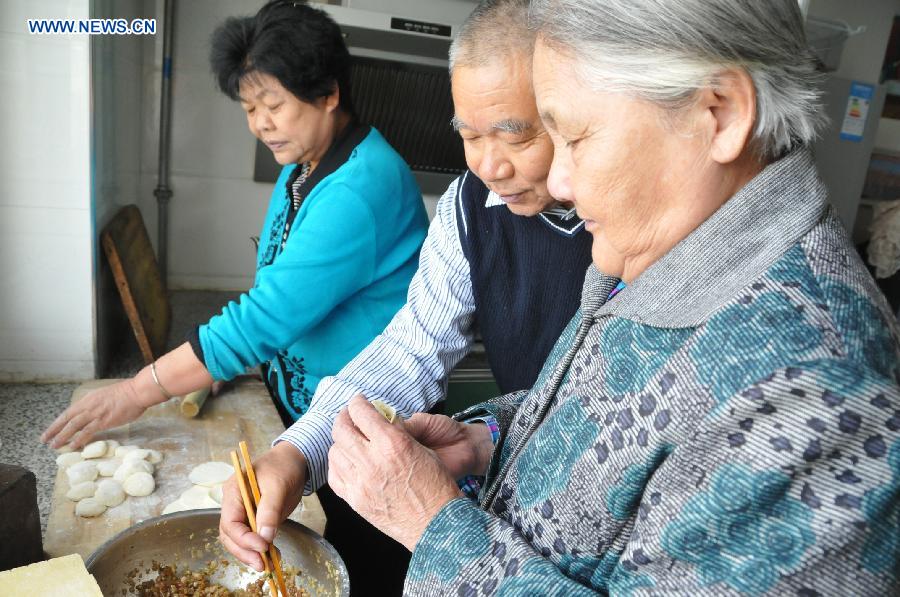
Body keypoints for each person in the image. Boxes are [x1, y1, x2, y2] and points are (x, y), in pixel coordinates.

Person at [325, 0, 900, 594]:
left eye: (573, 136)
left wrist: (433, 527)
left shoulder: (820, 391)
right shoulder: (667, 246)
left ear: (719, 114)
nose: (559, 183)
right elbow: (621, 421)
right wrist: (492, 439)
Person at [217, 1, 593, 594]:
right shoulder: (471, 204)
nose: (489, 165)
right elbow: (411, 347)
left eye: (514, 134)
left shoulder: (629, 222)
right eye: (468, 135)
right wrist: (298, 453)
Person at [41, 1, 428, 447]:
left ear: (328, 94)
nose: (261, 125)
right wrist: (218, 361)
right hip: (307, 406)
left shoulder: (358, 188)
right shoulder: (302, 162)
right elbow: (283, 292)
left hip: (361, 427)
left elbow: (264, 318)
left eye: (274, 105)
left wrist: (135, 392)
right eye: (249, 109)